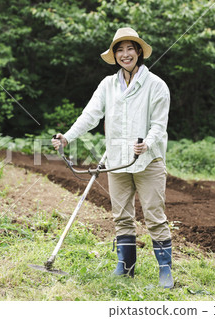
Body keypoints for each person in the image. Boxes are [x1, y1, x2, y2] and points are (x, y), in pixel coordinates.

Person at [51, 27, 173, 288]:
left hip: (148, 161)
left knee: (154, 215)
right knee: (121, 216)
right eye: (120, 50)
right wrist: (67, 137)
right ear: (115, 55)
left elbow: (159, 125)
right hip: (117, 161)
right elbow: (89, 116)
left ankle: (165, 272)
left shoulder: (156, 86)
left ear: (139, 52)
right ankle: (126, 267)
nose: (125, 54)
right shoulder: (107, 85)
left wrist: (147, 144)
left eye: (130, 49)